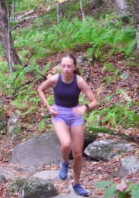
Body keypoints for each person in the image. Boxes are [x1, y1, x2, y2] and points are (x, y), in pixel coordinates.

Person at [37, 53, 98, 197]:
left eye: (69, 66)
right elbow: (40, 89)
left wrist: (84, 107)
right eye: (63, 66)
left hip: (75, 116)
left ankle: (76, 184)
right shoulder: (54, 79)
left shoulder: (79, 81)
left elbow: (94, 101)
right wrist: (48, 107)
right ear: (60, 66)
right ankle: (64, 162)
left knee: (77, 154)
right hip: (59, 115)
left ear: (74, 67)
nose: (66, 69)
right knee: (65, 143)